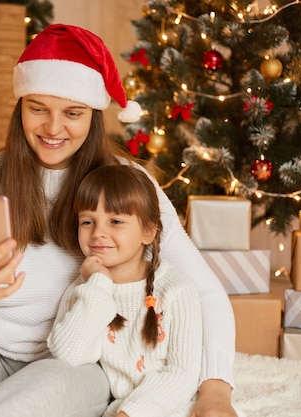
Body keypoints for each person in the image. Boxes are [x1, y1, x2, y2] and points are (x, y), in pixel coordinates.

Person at [0, 23, 238, 417]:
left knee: (48, 379)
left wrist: (215, 390)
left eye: (72, 113)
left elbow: (203, 289)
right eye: (37, 109)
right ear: (20, 105)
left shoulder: (125, 185)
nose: (53, 129)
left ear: (93, 115)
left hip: (72, 370)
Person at [48, 164, 203, 417]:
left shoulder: (177, 290)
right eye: (87, 221)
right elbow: (69, 357)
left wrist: (131, 413)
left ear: (148, 231)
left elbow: (181, 374)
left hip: (169, 408)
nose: (98, 233)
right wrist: (98, 285)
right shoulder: (84, 290)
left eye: (116, 221)